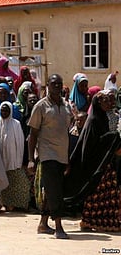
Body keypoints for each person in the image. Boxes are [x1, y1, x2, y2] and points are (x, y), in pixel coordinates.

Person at [64, 91, 121, 232]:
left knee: (109, 194)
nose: (109, 103)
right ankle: (88, 222)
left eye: (109, 101)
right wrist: (112, 137)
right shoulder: (93, 120)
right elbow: (91, 145)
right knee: (95, 195)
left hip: (105, 164)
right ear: (98, 103)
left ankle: (106, 222)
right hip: (95, 166)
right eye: (106, 101)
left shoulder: (103, 118)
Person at [28, 74, 72, 239]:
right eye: (54, 84)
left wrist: (68, 158)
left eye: (60, 84)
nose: (57, 87)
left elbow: (66, 132)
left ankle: (43, 224)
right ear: (47, 85)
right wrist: (31, 159)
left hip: (62, 155)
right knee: (55, 191)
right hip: (47, 154)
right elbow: (32, 134)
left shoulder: (67, 106)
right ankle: (59, 226)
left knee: (52, 190)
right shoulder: (41, 106)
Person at [0, 102, 30, 211]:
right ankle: (5, 203)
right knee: (3, 184)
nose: (4, 113)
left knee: (18, 183)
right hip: (1, 160)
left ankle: (18, 204)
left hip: (14, 159)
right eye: (2, 110)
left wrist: (18, 160)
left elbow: (20, 143)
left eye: (6, 110)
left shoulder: (15, 124)